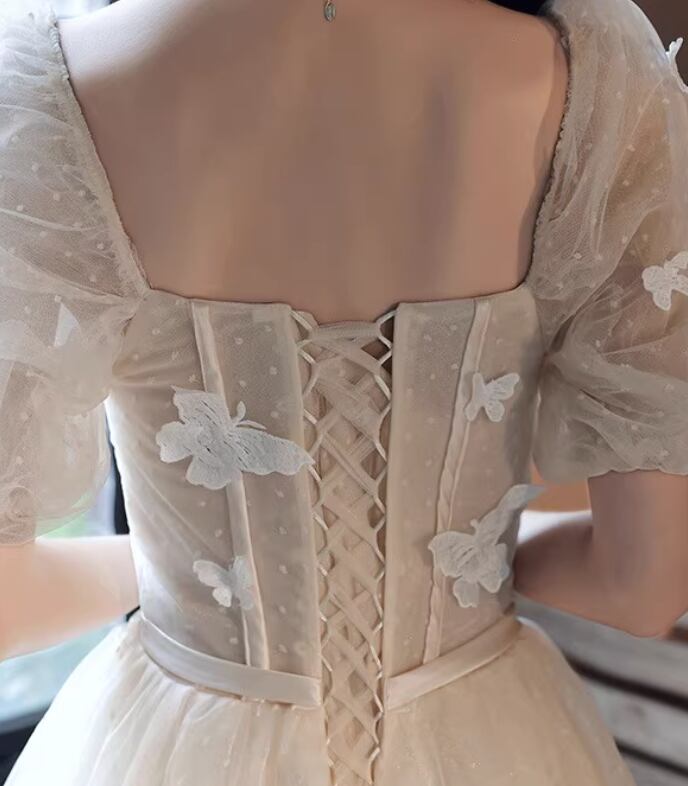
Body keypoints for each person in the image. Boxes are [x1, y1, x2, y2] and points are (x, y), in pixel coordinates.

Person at [1, 0, 687, 783]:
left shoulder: (57, 90)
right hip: (483, 723)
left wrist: (181, 570)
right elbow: (642, 586)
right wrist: (463, 567)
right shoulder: (585, 76)